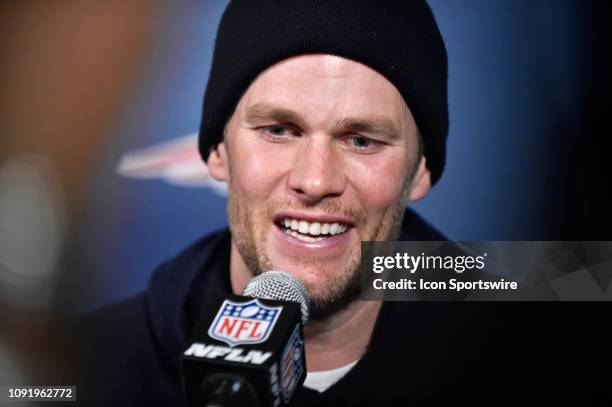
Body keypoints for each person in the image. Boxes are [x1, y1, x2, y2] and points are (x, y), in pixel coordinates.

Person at [77, 1, 610, 405]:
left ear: (420, 170)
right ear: (218, 152)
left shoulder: (525, 335)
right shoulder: (84, 365)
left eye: (361, 140)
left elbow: (570, 273)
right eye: (279, 130)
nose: (315, 180)